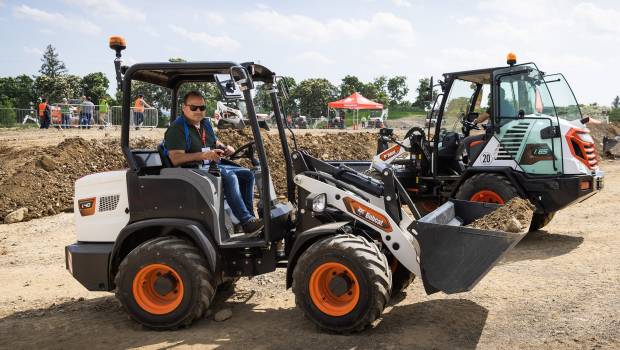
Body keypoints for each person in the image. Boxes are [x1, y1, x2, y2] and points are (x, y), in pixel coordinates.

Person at [164, 90, 263, 236]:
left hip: (208, 165)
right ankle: (246, 220)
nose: (198, 111)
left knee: (247, 175)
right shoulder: (177, 128)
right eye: (194, 108)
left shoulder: (205, 124)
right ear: (184, 108)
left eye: (202, 108)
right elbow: (176, 158)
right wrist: (204, 154)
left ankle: (248, 220)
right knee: (229, 176)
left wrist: (224, 147)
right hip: (189, 171)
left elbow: (214, 141)